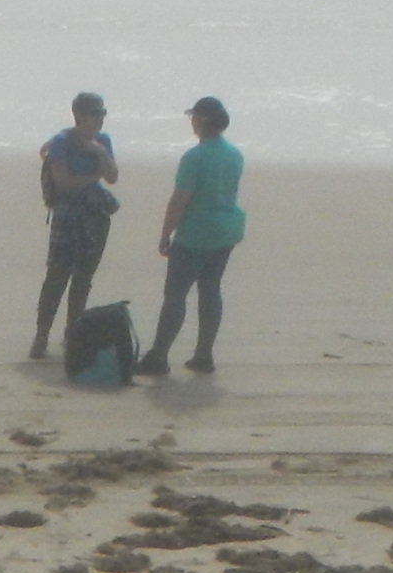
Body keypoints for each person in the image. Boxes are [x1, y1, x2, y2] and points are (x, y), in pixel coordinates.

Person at [138, 96, 245, 379]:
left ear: (200, 121)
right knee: (210, 289)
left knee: (175, 294)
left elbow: (180, 200)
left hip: (196, 234)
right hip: (225, 231)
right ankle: (204, 354)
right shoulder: (234, 154)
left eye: (194, 118)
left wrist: (165, 233)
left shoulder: (194, 157)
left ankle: (159, 355)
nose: (192, 123)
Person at [29, 92, 119, 361]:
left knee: (83, 279)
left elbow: (113, 176)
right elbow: (64, 183)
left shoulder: (103, 141)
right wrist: (93, 176)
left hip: (95, 216)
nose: (99, 119)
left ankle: (73, 334)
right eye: (94, 114)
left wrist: (99, 152)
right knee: (57, 277)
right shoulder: (61, 142)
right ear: (79, 115)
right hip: (67, 216)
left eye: (102, 113)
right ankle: (41, 335)